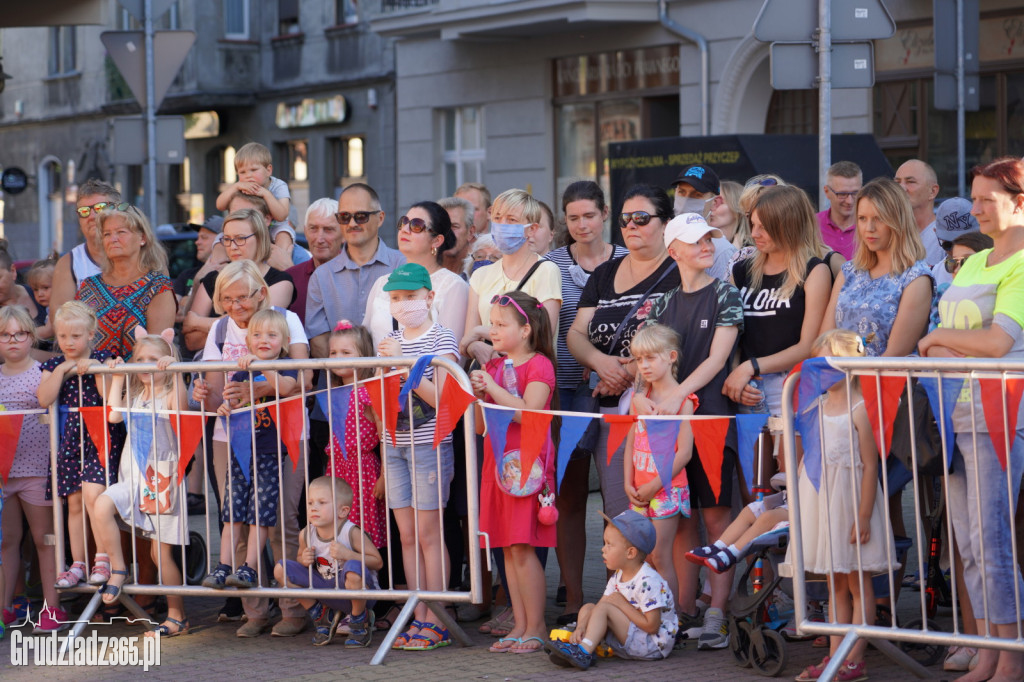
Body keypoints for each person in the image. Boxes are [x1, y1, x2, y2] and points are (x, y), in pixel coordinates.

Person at [918, 157, 1024, 682]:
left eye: (988, 200)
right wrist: (941, 341)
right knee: (968, 541)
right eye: (975, 197)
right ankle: (987, 650)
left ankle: (1012, 657)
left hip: (999, 415)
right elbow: (955, 334)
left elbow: (998, 342)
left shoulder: (1022, 263)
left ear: (1019, 202)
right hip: (955, 413)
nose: (975, 208)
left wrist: (938, 339)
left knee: (993, 541)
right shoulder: (978, 263)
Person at [641, 212, 743, 648]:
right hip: (668, 425)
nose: (706, 245)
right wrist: (644, 397)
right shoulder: (662, 302)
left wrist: (673, 398)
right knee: (683, 520)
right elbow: (645, 359)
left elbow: (717, 360)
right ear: (673, 251)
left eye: (709, 238)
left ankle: (717, 612)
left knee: (717, 517)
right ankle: (684, 610)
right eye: (695, 239)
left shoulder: (726, 293)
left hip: (712, 420)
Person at [193, 261, 310, 634]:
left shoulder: (286, 320)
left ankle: (293, 609)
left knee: (283, 521)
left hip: (285, 433)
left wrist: (263, 387)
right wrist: (203, 394)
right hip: (231, 435)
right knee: (237, 520)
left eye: (242, 297)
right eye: (226, 299)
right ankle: (255, 610)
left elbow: (305, 377)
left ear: (261, 291)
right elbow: (213, 394)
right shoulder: (220, 327)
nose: (235, 306)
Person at [567, 184, 681, 519]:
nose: (631, 226)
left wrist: (629, 372)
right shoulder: (605, 274)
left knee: (660, 514)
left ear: (665, 223)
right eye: (625, 219)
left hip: (660, 409)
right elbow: (576, 333)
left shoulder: (678, 272)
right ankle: (621, 575)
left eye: (642, 218)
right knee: (618, 511)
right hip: (609, 408)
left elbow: (681, 337)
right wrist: (602, 363)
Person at [544, 180, 628, 624]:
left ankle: (623, 596)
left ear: (605, 213)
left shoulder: (627, 259)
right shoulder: (551, 263)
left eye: (589, 216)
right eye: (572, 217)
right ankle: (574, 598)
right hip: (564, 389)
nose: (581, 225)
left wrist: (614, 367)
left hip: (619, 385)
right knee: (570, 495)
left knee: (618, 498)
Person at [795, 330, 896, 682]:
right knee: (835, 582)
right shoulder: (817, 406)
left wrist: (864, 514)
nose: (818, 372)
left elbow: (870, 464)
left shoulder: (859, 409)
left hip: (850, 501)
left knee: (857, 581)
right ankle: (836, 656)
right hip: (824, 501)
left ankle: (856, 657)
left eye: (825, 364)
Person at [377, 263, 460, 651]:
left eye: (410, 296)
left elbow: (444, 400)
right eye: (396, 298)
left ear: (429, 297)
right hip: (394, 444)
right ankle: (417, 611)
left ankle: (437, 615)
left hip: (429, 446)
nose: (403, 304)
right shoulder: (390, 339)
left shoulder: (442, 338)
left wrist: (405, 363)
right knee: (407, 536)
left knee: (429, 535)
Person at [470, 290, 557, 654]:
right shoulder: (491, 367)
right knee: (507, 548)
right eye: (491, 323)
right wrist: (475, 396)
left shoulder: (540, 365)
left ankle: (536, 625)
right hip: (497, 463)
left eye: (501, 324)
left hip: (529, 467)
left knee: (524, 547)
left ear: (525, 330)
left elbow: (529, 413)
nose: (493, 329)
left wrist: (490, 388)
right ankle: (519, 624)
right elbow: (479, 426)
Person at [93, 328, 192, 638]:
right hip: (132, 478)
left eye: (154, 359)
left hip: (160, 479)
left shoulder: (169, 391)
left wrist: (174, 373)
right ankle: (119, 568)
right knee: (102, 504)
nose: (147, 365)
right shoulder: (136, 394)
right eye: (140, 360)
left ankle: (177, 616)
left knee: (159, 555)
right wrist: (120, 376)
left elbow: (182, 410)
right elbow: (112, 416)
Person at [725, 184, 831, 424]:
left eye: (764, 227)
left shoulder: (814, 271)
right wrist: (735, 372)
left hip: (791, 384)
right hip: (746, 387)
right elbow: (730, 334)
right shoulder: (741, 271)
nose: (755, 233)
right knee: (752, 462)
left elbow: (808, 346)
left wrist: (750, 367)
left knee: (788, 462)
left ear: (788, 226)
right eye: (753, 224)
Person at [37, 302, 122, 588]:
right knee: (74, 503)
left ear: (91, 334)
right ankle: (78, 563)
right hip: (70, 439)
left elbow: (106, 395)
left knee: (93, 496)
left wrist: (97, 369)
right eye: (63, 336)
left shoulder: (103, 357)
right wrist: (63, 370)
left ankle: (103, 558)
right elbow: (44, 398)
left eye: (76, 336)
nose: (69, 342)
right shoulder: (53, 364)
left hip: (98, 436)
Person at [544, 510, 678, 669]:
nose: (603, 549)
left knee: (604, 608)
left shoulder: (648, 581)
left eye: (609, 544)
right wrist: (581, 626)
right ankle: (582, 642)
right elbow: (600, 607)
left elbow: (652, 626)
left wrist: (622, 604)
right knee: (588, 607)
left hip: (651, 645)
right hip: (632, 637)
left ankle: (583, 652)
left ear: (630, 553)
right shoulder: (618, 576)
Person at [820, 177, 933, 358]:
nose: (869, 228)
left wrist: (854, 383)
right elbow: (824, 341)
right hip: (836, 380)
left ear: (898, 221)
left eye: (878, 219)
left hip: (883, 382)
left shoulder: (916, 278)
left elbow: (895, 354)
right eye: (862, 219)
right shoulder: (849, 271)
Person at [0, 306, 63, 631]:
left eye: (20, 333)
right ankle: (4, 608)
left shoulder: (42, 373)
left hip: (37, 470)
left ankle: (53, 608)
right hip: (3, 475)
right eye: (5, 335)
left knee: (44, 539)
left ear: (31, 336)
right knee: (7, 541)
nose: (13, 340)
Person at [623, 323, 695, 605]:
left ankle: (670, 619)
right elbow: (630, 441)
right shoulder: (639, 400)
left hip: (667, 489)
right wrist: (628, 481)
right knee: (642, 556)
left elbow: (684, 452)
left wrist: (656, 483)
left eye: (651, 358)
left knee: (660, 555)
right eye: (639, 359)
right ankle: (646, 613)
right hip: (640, 490)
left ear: (671, 357)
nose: (644, 365)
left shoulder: (684, 402)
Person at [273, 476, 383, 647]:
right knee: (281, 569)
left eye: (322, 502)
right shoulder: (306, 533)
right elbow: (299, 558)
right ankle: (320, 614)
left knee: (353, 567)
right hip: (326, 589)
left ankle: (359, 620)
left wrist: (348, 554)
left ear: (343, 511)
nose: (313, 508)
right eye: (310, 503)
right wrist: (304, 559)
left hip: (360, 593)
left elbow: (377, 562)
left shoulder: (351, 532)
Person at [461, 189, 561, 368]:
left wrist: (480, 332)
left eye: (512, 220)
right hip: (485, 378)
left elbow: (541, 337)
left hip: (528, 378)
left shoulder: (546, 270)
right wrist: (476, 345)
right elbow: (467, 342)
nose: (502, 225)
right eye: (497, 218)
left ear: (531, 229)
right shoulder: (480, 276)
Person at [183, 208, 295, 352]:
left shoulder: (281, 281)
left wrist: (198, 322)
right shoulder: (213, 279)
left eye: (240, 238)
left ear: (260, 238)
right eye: (227, 239)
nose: (232, 246)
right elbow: (192, 341)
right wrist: (239, 324)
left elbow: (258, 329)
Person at [75, 204, 175, 360]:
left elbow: (157, 351)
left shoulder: (157, 286)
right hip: (90, 379)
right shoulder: (89, 286)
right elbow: (73, 338)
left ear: (142, 238)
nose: (113, 239)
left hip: (138, 380)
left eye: (121, 232)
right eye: (107, 234)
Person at [364, 201, 469, 345]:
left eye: (417, 225)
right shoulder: (382, 283)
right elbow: (365, 343)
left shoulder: (453, 286)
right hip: (380, 368)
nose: (405, 229)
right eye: (404, 222)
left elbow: (449, 355)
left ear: (437, 240)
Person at [324, 321, 384, 548]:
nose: (338, 357)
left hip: (362, 469)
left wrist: (384, 476)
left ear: (363, 356)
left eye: (345, 352)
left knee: (361, 525)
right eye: (333, 353)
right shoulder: (331, 392)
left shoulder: (368, 392)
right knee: (338, 522)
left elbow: (383, 434)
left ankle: (366, 574)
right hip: (337, 468)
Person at [215, 142, 295, 264]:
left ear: (268, 170)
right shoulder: (239, 187)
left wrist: (266, 194)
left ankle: (281, 261)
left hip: (275, 226)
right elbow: (220, 205)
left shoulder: (279, 186)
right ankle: (217, 264)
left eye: (253, 170)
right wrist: (235, 187)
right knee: (221, 238)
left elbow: (282, 215)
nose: (248, 176)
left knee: (284, 234)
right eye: (242, 172)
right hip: (246, 230)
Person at [50, 179, 121, 315]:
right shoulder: (69, 264)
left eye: (100, 208)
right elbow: (60, 319)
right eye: (84, 211)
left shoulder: (145, 257)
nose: (92, 216)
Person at [670, 164, 736, 280]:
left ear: (715, 203)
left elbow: (720, 296)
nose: (686, 200)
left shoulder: (723, 252)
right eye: (682, 192)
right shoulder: (664, 238)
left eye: (697, 195)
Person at [286, 198, 341, 325]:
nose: (319, 238)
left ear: (344, 234)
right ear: (305, 231)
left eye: (328, 229)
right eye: (313, 228)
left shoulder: (357, 276)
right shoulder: (289, 278)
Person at [894, 159, 945, 266]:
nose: (901, 188)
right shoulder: (888, 235)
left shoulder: (944, 239)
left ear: (933, 191)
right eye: (897, 182)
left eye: (910, 182)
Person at [172, 216, 224, 315]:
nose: (197, 242)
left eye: (204, 237)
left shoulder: (231, 274)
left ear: (222, 240)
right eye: (198, 237)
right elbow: (174, 314)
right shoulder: (186, 275)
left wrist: (187, 301)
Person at [932, 196, 982, 290]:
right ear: (936, 234)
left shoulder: (995, 266)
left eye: (965, 243)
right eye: (949, 245)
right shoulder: (935, 273)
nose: (956, 250)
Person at [817, 161, 863, 260]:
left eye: (855, 193)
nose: (849, 201)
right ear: (827, 192)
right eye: (842, 194)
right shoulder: (811, 226)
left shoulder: (873, 227)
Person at [437, 196, 477, 277]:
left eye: (454, 226)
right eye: (442, 226)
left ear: (470, 232)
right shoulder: (421, 274)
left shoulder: (480, 273)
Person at [707, 180, 751, 251]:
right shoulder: (697, 242)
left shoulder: (752, 250)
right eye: (709, 202)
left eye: (719, 202)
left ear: (738, 208)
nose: (711, 207)